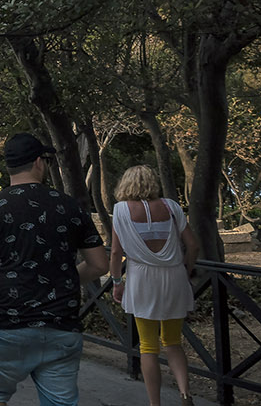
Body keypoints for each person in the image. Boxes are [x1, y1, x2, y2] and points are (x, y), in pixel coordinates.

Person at [0, 133, 108, 406]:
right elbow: (100, 264)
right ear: (39, 162)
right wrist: (65, 278)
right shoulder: (71, 206)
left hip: (9, 326)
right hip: (62, 328)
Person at [110, 165, 199, 406]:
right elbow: (192, 244)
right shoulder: (171, 207)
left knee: (148, 345)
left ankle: (155, 403)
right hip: (174, 277)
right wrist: (186, 270)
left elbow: (116, 252)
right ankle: (184, 394)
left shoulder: (120, 211)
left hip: (142, 279)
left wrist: (117, 282)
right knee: (172, 341)